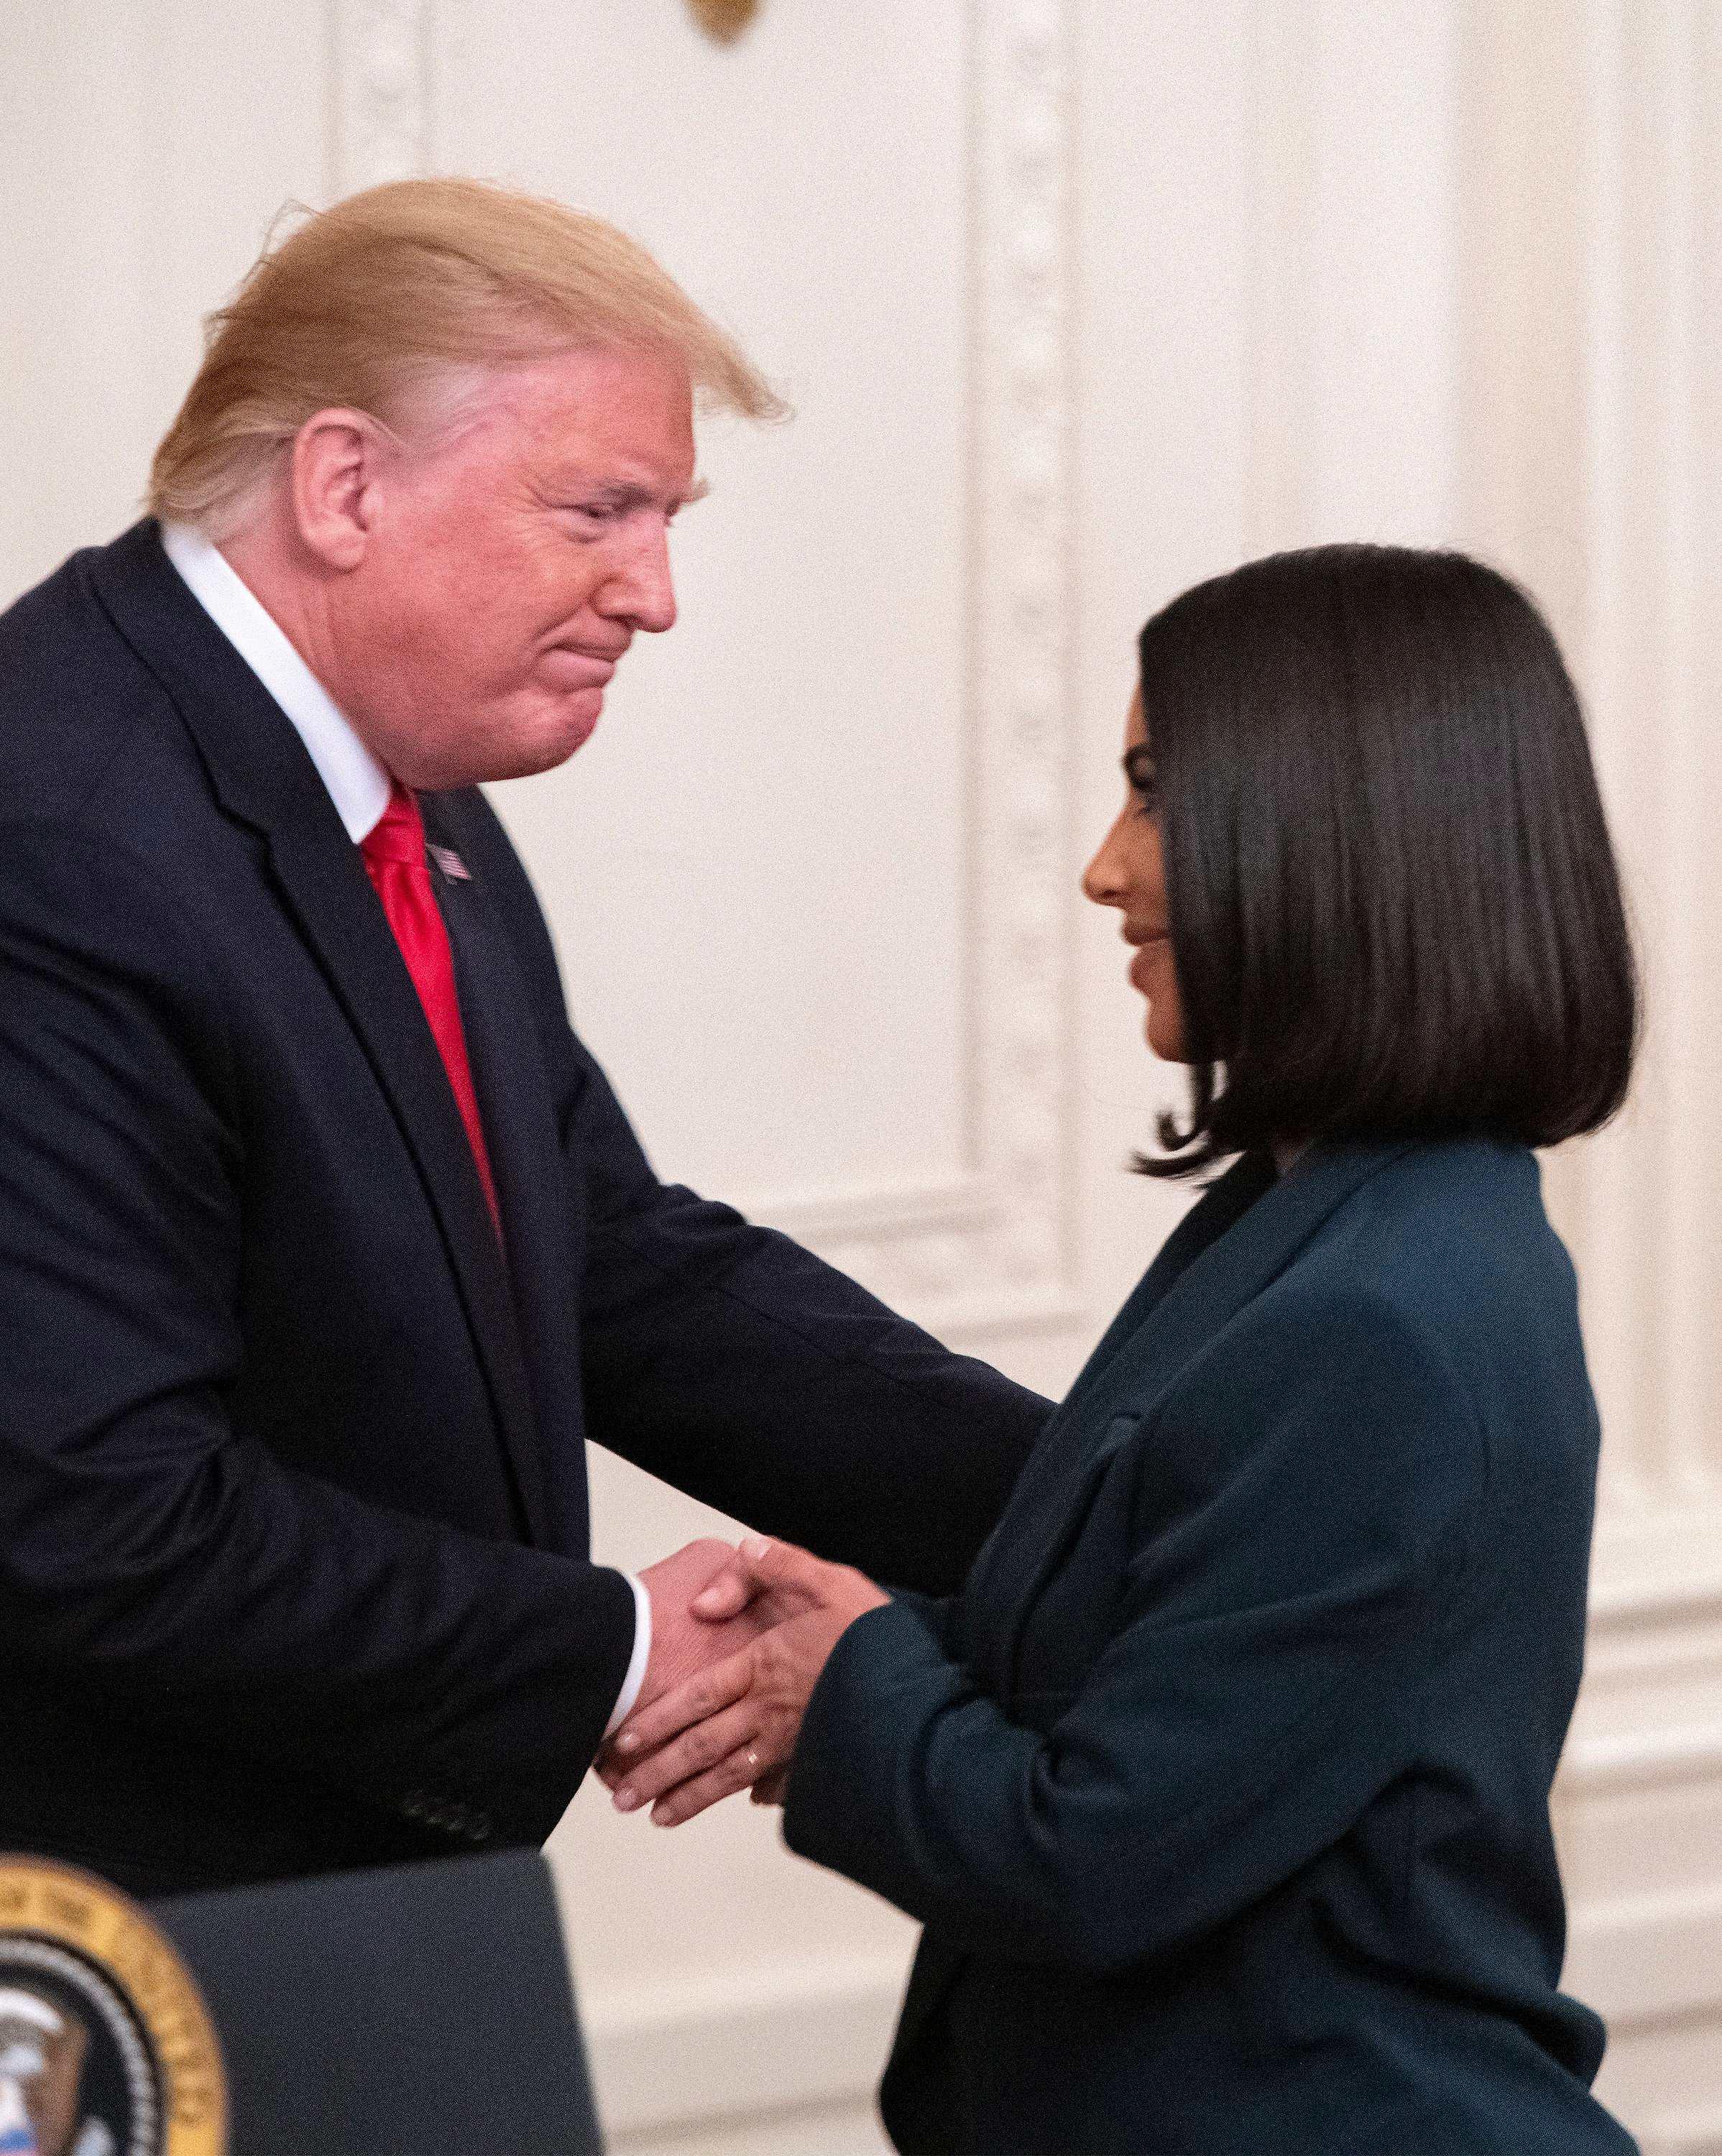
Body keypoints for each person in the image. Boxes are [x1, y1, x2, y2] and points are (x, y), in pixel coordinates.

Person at [0, 177, 1049, 1899]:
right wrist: (620, 1652)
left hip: (359, 1905)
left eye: (666, 519)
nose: (654, 594)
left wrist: (1084, 1505)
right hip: (132, 1963)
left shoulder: (398, 787)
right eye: (598, 512)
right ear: (345, 485)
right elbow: (100, 1514)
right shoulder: (59, 839)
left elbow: (613, 1262)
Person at [607, 545, 1642, 2155]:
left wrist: (856, 1677)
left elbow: (1092, 1858)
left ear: (1331, 830)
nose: (1104, 870)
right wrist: (862, 1639)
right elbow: (1169, 1673)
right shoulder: (1321, 1223)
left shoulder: (1375, 1318)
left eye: (1154, 795)